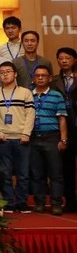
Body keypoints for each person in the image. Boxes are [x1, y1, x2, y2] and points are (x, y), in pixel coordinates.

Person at [0, 61, 35, 212]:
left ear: (15, 74)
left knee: (23, 174)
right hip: (3, 138)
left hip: (22, 138)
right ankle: (9, 202)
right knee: (6, 173)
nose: (5, 74)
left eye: (8, 71)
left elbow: (30, 114)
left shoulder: (25, 92)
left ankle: (22, 202)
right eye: (2, 72)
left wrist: (26, 133)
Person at [30, 65, 68, 215]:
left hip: (52, 137)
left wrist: (63, 140)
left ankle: (56, 203)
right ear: (33, 78)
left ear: (50, 78)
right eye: (37, 75)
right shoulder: (28, 95)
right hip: (33, 137)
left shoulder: (56, 95)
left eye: (43, 75)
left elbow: (62, 119)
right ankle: (39, 202)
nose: (40, 78)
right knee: (37, 173)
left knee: (55, 173)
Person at [52, 47, 77, 211]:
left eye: (67, 58)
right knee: (66, 167)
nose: (64, 61)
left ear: (74, 60)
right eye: (61, 58)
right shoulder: (54, 81)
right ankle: (70, 201)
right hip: (63, 126)